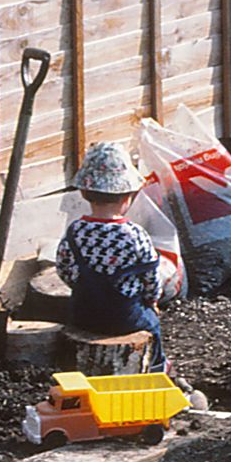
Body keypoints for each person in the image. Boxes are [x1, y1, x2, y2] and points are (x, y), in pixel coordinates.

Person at [55, 141, 169, 372]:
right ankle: (159, 367)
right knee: (153, 324)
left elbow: (63, 269)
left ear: (85, 193)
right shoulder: (135, 234)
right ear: (127, 196)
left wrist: (81, 286)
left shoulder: (76, 230)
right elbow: (151, 278)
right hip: (124, 316)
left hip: (83, 313)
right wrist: (152, 300)